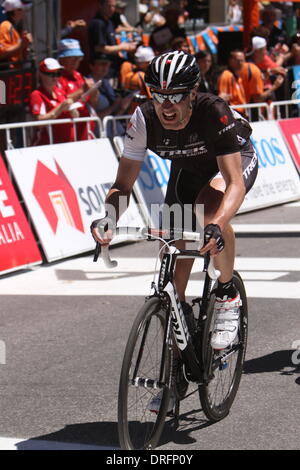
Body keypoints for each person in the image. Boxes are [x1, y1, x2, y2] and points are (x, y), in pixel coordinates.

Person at [91, 51, 258, 362]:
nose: (166, 105)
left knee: (207, 210)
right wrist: (109, 218)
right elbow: (123, 186)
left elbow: (234, 183)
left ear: (193, 92)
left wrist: (217, 224)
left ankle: (226, 293)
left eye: (176, 96)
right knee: (172, 242)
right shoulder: (143, 119)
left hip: (232, 161)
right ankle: (177, 355)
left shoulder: (213, 112)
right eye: (158, 94)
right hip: (189, 168)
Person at [57, 39, 99, 141]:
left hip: (84, 129)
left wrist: (94, 91)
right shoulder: (56, 77)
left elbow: (93, 103)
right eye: (72, 58)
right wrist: (83, 89)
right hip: (67, 131)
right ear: (62, 59)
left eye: (78, 58)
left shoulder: (78, 75)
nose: (76, 61)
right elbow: (61, 100)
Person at [29, 58, 75, 145]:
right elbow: (38, 122)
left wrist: (73, 111)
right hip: (47, 146)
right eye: (51, 74)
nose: (55, 78)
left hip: (66, 144)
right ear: (41, 75)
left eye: (58, 74)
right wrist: (60, 108)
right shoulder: (37, 95)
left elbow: (75, 116)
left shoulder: (60, 92)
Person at [88, 53, 134, 137]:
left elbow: (113, 113)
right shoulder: (87, 85)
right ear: (91, 66)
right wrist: (114, 106)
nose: (106, 68)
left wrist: (122, 107)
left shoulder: (106, 83)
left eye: (108, 65)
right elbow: (91, 118)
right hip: (97, 135)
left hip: (113, 132)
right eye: (102, 64)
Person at [88, 0, 137, 75]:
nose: (111, 9)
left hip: (112, 66)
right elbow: (100, 48)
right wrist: (122, 47)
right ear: (101, 6)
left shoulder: (109, 22)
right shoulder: (98, 23)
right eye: (108, 6)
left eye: (113, 6)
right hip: (102, 70)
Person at [119, 45, 154, 113]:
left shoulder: (129, 75)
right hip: (141, 113)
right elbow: (152, 98)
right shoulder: (141, 76)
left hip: (131, 114)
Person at [0, 0, 32, 67]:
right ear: (15, 11)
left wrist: (25, 45)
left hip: (17, 70)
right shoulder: (5, 26)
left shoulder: (15, 27)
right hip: (9, 72)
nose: (24, 12)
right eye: (21, 9)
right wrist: (22, 44)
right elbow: (2, 53)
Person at [218, 49, 247, 114]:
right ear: (230, 61)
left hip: (241, 113)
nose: (240, 63)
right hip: (233, 113)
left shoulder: (238, 77)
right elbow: (221, 98)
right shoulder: (226, 75)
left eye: (242, 60)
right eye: (238, 60)